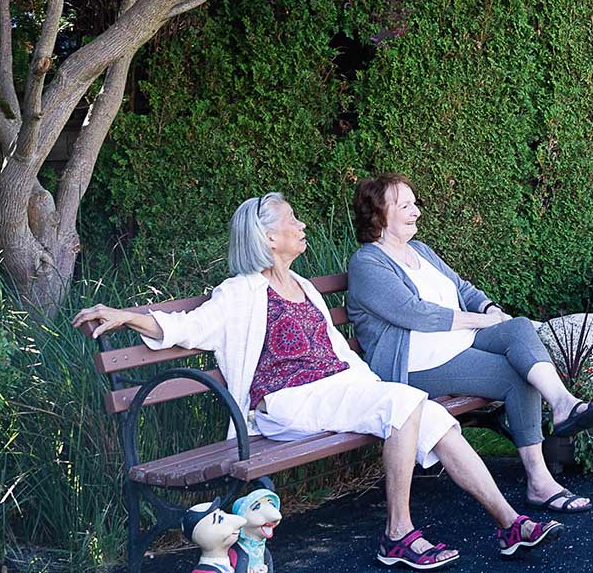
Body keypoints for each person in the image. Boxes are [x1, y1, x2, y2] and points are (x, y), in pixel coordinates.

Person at [73, 192, 563, 569]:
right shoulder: (241, 292)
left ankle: (509, 524)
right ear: (267, 237)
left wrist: (374, 385)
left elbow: (336, 351)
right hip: (286, 402)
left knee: (433, 416)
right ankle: (397, 533)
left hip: (336, 390)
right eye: (292, 220)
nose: (301, 225)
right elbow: (186, 327)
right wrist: (126, 317)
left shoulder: (304, 286)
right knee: (404, 405)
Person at [344, 172, 593, 513]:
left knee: (516, 328)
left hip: (455, 344)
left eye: (415, 204)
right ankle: (540, 482)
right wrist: (482, 321)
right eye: (405, 205)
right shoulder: (367, 262)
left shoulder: (420, 251)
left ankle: (563, 403)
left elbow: (462, 288)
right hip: (416, 363)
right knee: (518, 376)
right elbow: (414, 314)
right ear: (378, 213)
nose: (417, 212)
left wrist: (489, 308)